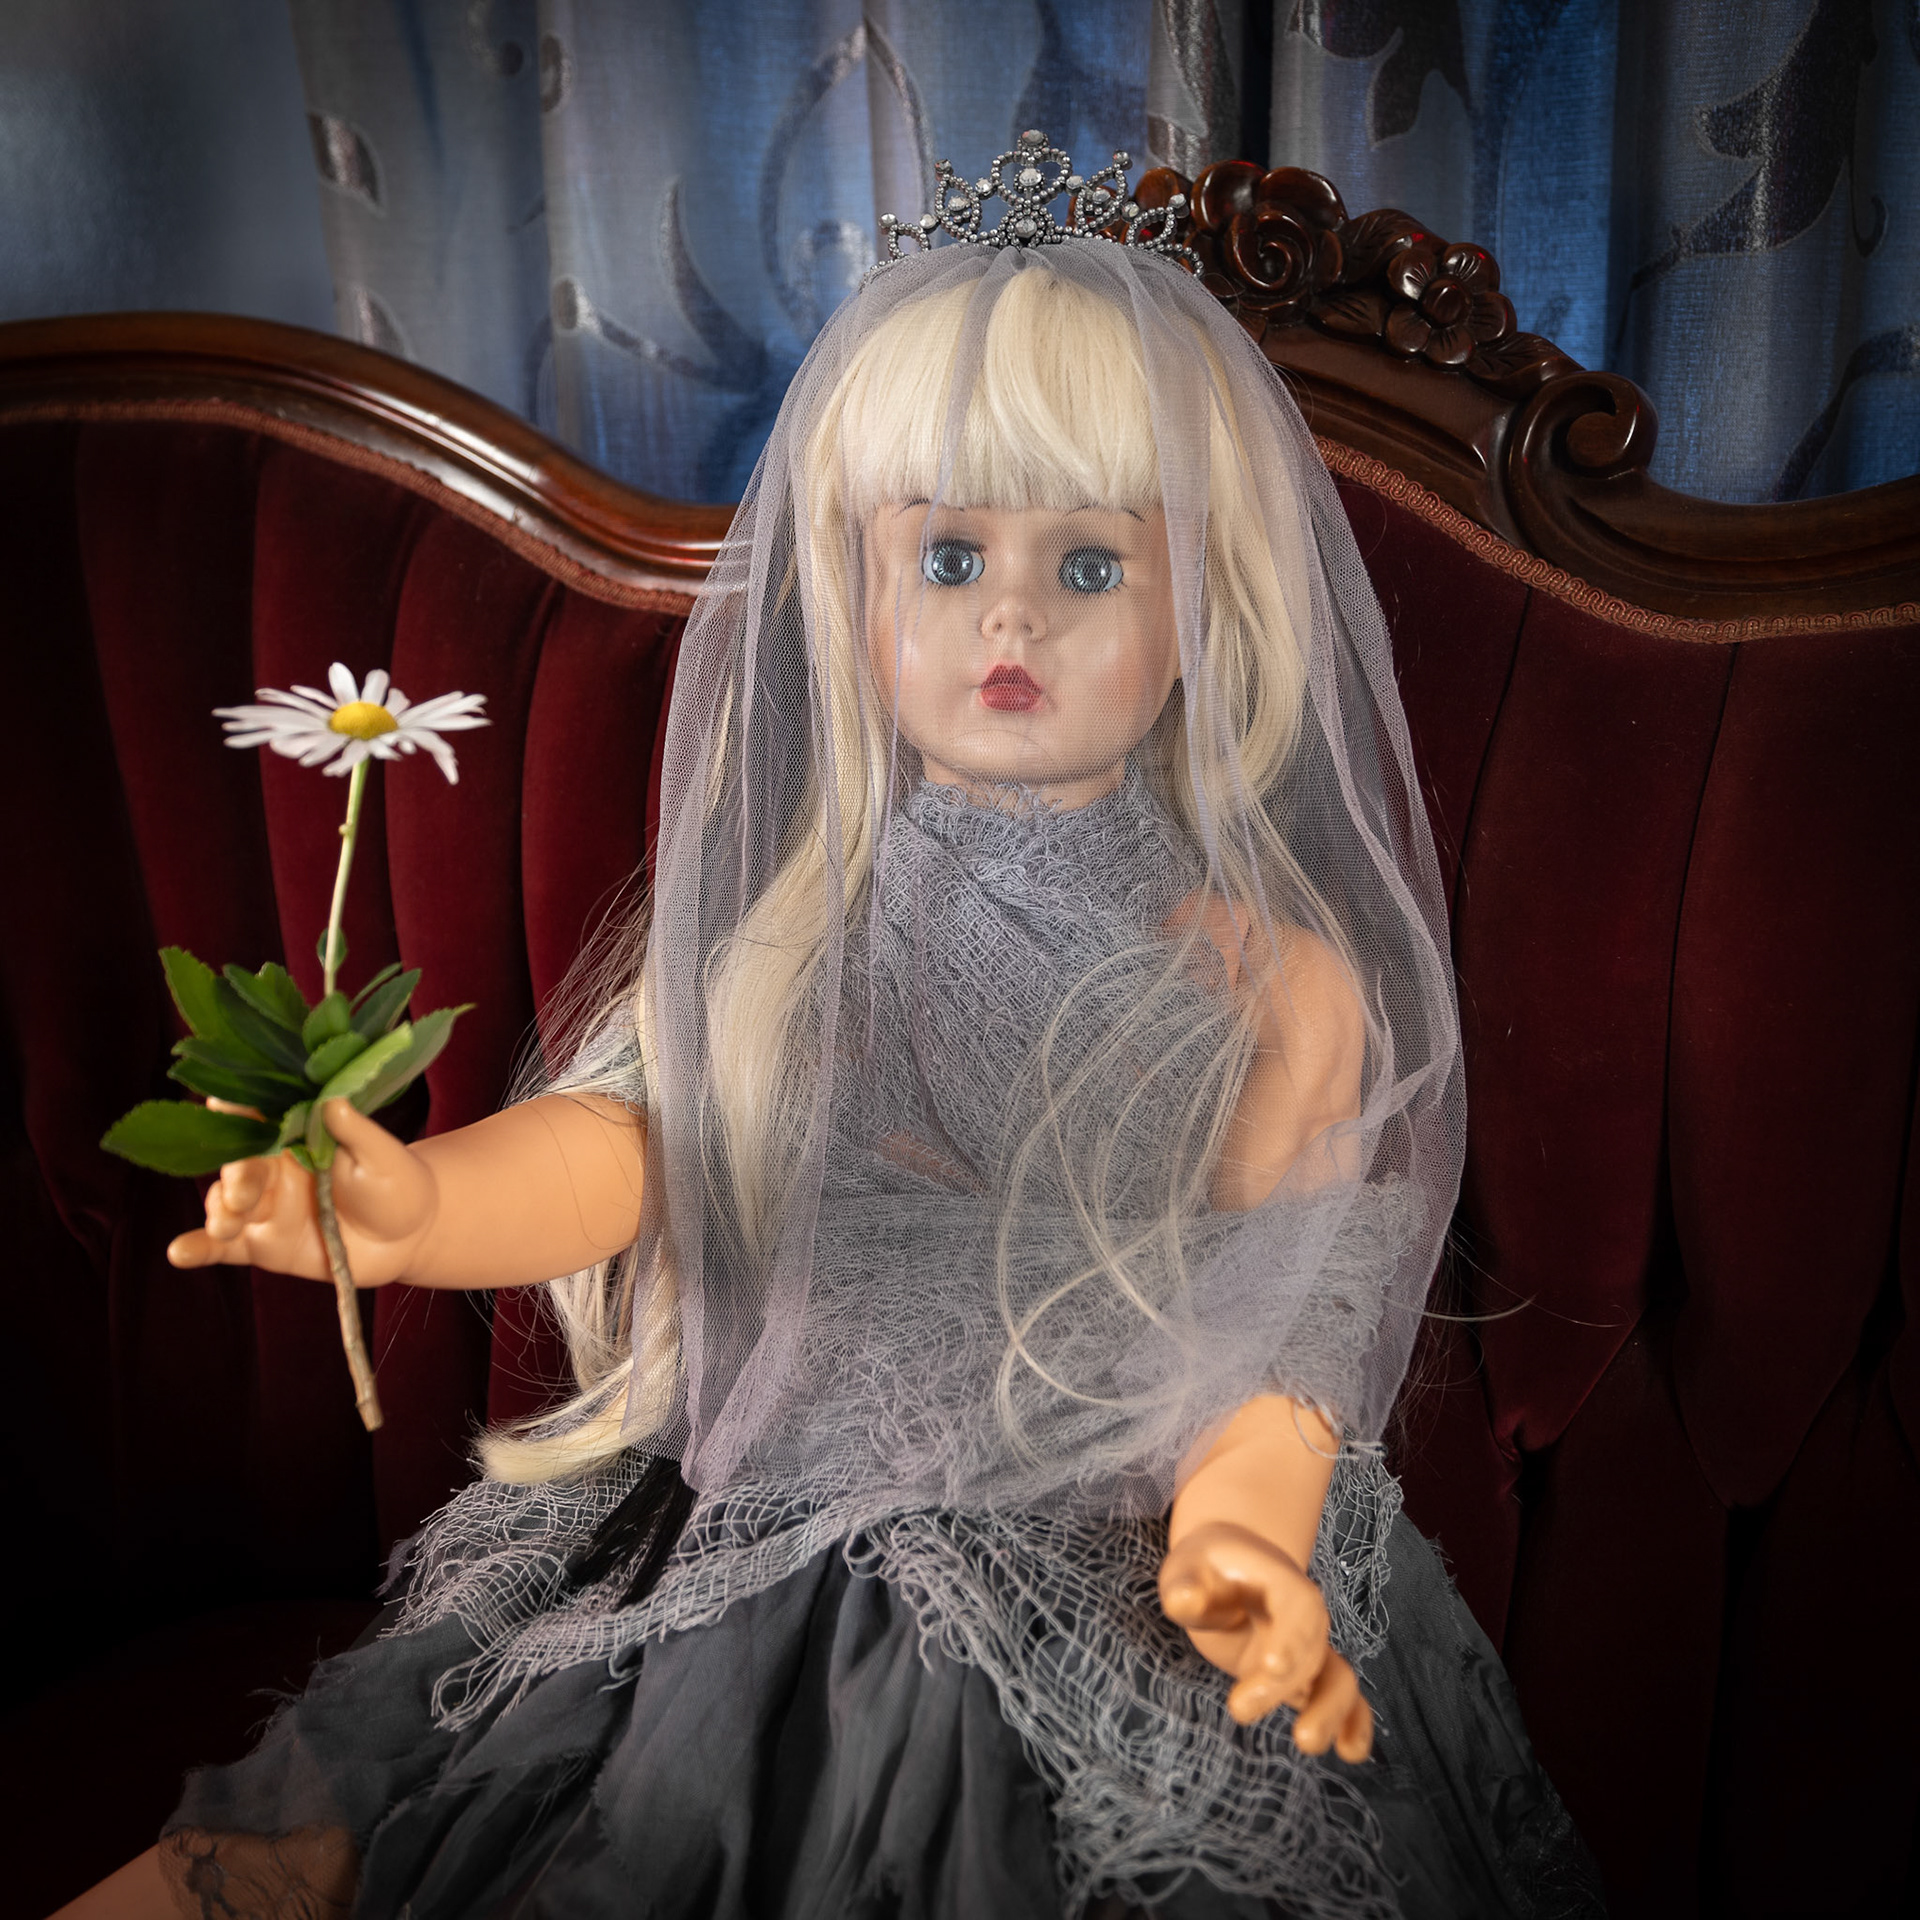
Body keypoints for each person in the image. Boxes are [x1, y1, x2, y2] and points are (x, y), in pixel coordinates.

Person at [61, 140, 1603, 1920]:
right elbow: (637, 1143)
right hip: (774, 1532)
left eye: (1090, 565)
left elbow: (1281, 1307)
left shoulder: (1269, 981)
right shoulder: (805, 945)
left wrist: (1245, 1531)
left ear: (1204, 604)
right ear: (853, 593)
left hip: (1117, 1550)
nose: (1010, 613)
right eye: (947, 555)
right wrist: (415, 1207)